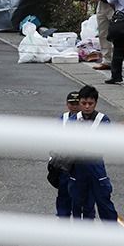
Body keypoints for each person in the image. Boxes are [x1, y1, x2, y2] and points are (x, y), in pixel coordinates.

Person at [67, 85, 118, 222]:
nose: (87, 107)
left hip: (96, 167)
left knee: (104, 201)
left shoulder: (103, 120)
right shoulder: (73, 120)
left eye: (91, 103)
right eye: (84, 103)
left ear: (96, 103)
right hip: (77, 167)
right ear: (79, 103)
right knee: (77, 202)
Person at [52, 90, 81, 218]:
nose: (74, 106)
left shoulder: (86, 118)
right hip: (64, 163)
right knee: (64, 192)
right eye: (71, 103)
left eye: (76, 103)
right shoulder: (62, 119)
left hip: (79, 163)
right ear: (67, 104)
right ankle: (62, 217)